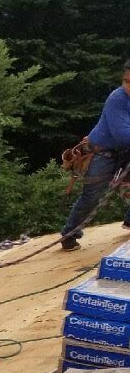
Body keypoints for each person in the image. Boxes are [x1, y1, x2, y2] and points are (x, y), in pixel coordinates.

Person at [60, 59, 130, 250]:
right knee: (92, 197)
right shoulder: (117, 99)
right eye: (126, 81)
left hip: (124, 152)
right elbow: (123, 135)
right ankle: (69, 234)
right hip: (102, 153)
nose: (128, 86)